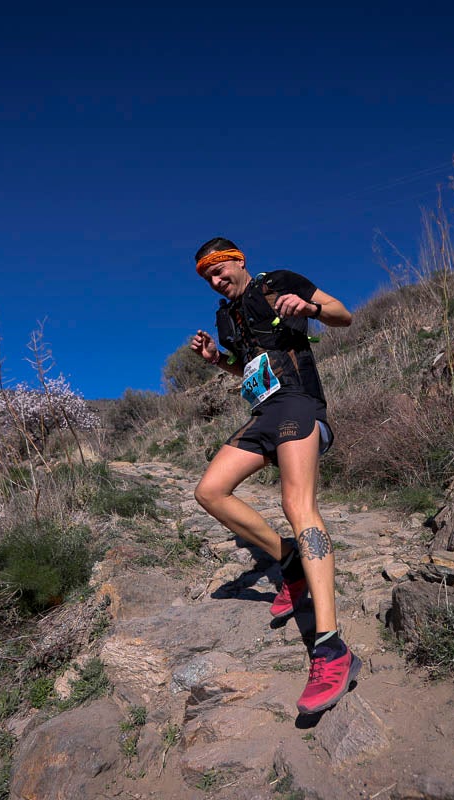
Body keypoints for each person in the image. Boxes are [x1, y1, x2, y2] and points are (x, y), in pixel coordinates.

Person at [189, 236, 359, 714]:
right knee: (210, 491)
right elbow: (246, 368)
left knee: (296, 504)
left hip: (299, 404)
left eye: (220, 270)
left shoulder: (276, 282)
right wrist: (217, 360)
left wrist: (309, 308)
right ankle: (289, 562)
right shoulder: (226, 316)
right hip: (263, 413)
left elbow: (343, 315)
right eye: (208, 278)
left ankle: (331, 647)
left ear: (238, 261)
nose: (216, 281)